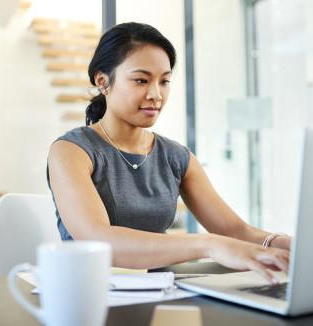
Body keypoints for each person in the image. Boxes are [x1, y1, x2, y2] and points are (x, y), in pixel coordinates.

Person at [47, 22, 291, 284]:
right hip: (86, 293)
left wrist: (285, 244)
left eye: (164, 81)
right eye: (141, 80)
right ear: (103, 81)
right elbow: (98, 238)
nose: (156, 94)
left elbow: (234, 230)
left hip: (160, 290)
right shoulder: (71, 150)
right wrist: (208, 245)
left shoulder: (176, 156)